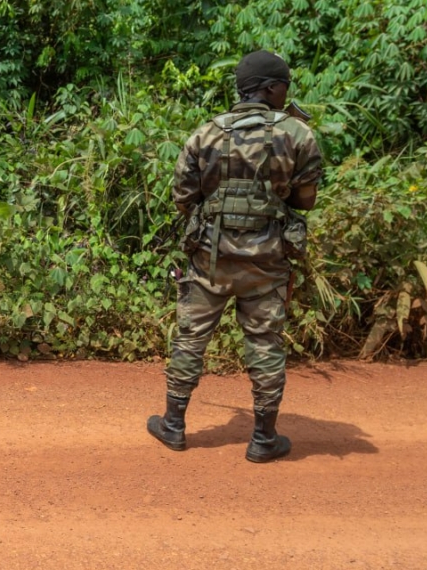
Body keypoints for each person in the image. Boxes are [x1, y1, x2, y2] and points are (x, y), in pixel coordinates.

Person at [147, 50, 323, 463]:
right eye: (284, 86)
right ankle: (263, 439)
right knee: (265, 342)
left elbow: (183, 198)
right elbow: (307, 201)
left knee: (191, 338)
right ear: (269, 88)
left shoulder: (205, 134)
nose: (286, 93)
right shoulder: (299, 135)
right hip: (268, 261)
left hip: (210, 258)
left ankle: (173, 426)